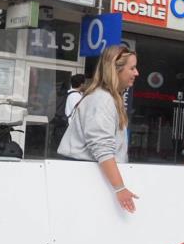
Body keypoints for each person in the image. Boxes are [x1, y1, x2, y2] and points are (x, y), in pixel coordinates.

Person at [57, 44, 140, 213]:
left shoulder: (108, 98)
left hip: (92, 177)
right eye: (132, 68)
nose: (136, 73)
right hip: (87, 177)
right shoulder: (103, 100)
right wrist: (119, 188)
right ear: (116, 70)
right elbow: (103, 149)